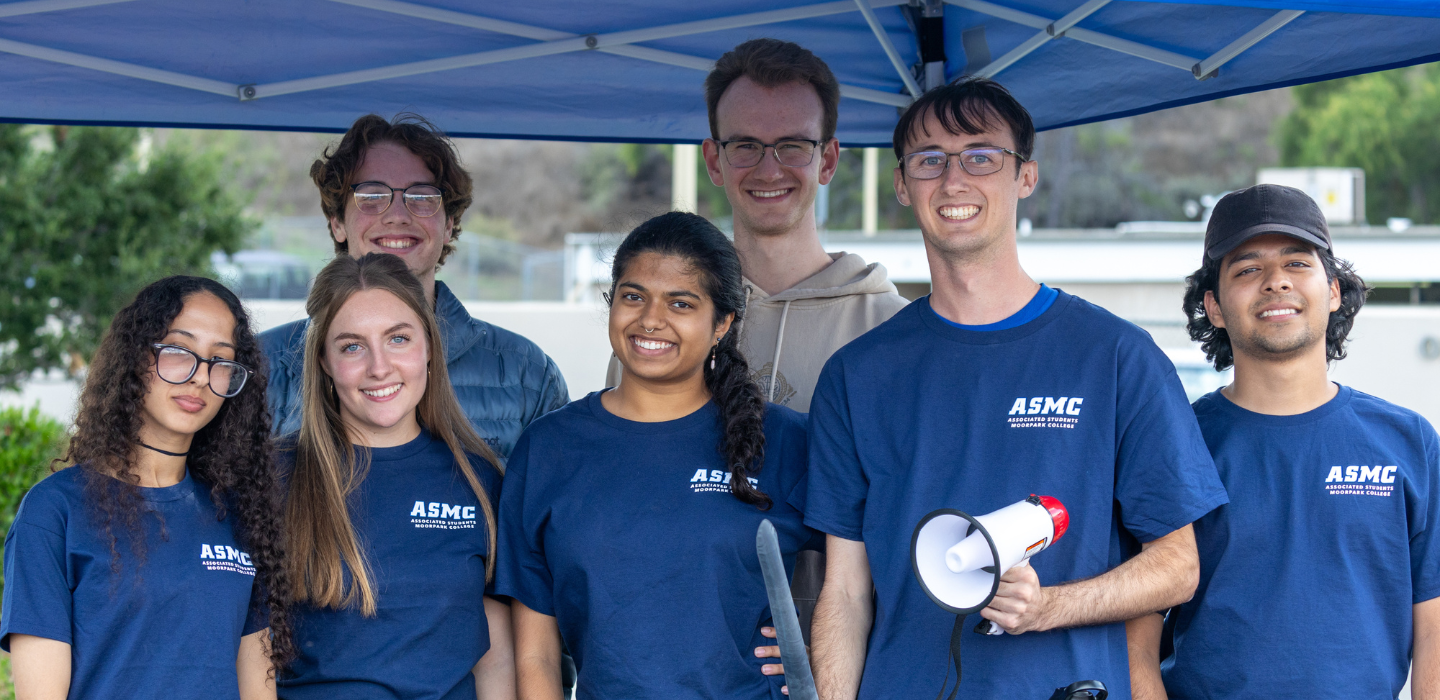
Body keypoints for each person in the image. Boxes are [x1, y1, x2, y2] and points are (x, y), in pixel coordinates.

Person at [803, 79, 1229, 699]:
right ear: (902, 184)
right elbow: (844, 591)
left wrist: (1047, 607)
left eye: (981, 156)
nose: (954, 180)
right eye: (929, 160)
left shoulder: (1115, 357)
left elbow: (1177, 568)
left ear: (1025, 176)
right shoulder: (857, 374)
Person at [1125, 184, 1440, 699]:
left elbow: (1434, 627)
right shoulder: (1175, 442)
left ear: (1334, 290)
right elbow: (1135, 624)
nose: (1275, 282)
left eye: (1297, 264)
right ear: (1215, 306)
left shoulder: (1409, 443)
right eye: (1247, 269)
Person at [498, 212, 812, 699]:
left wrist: (820, 648)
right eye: (633, 296)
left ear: (722, 324)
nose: (650, 319)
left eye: (681, 303)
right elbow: (535, 653)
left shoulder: (785, 442)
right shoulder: (549, 449)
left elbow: (866, 579)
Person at [1, 276, 292, 699]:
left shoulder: (242, 516)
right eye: (179, 351)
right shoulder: (55, 512)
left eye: (220, 360)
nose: (199, 377)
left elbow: (256, 689)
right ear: (136, 357)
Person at [275, 253, 513, 699]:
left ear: (429, 346)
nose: (379, 367)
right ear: (324, 361)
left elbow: (494, 650)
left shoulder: (480, 480)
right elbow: (244, 643)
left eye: (398, 339)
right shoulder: (276, 477)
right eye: (352, 346)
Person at [261, 113, 568, 458]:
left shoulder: (527, 375)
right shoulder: (262, 368)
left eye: (422, 197)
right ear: (337, 224)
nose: (397, 214)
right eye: (372, 195)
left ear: (449, 225)